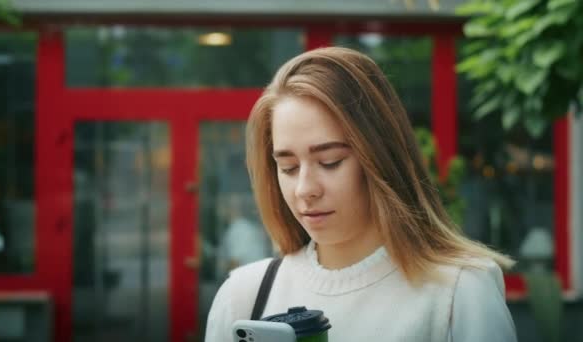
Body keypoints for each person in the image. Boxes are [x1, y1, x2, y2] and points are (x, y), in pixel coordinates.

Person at [205, 47, 518, 341]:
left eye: (330, 162)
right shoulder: (243, 297)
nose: (305, 189)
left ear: (380, 157)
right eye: (287, 167)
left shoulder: (460, 291)